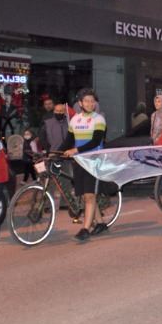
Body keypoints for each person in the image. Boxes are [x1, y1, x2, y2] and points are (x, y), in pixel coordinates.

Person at [60, 88, 107, 241]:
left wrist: (75, 150)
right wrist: (54, 153)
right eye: (86, 101)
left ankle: (85, 229)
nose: (90, 103)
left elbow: (95, 141)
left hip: (94, 161)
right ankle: (100, 223)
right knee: (87, 194)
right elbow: (68, 141)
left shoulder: (99, 119)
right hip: (79, 162)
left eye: (92, 101)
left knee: (89, 195)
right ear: (80, 103)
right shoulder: (75, 120)